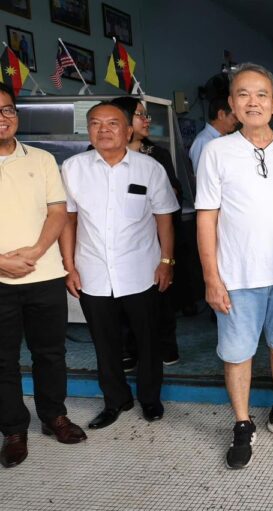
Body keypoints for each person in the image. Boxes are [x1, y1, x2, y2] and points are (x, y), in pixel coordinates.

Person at [196, 63, 273, 470]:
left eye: (262, 94)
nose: (253, 102)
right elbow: (206, 217)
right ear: (231, 103)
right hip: (237, 275)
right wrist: (211, 278)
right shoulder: (215, 151)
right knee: (237, 351)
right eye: (243, 94)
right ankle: (242, 423)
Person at [59, 102, 179, 429]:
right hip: (93, 271)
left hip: (141, 270)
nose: (104, 130)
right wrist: (69, 266)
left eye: (113, 123)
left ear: (127, 131)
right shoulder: (73, 168)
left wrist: (166, 262)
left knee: (148, 339)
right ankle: (116, 399)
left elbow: (164, 220)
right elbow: (68, 221)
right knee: (105, 342)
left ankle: (150, 399)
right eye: (96, 123)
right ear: (88, 130)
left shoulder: (149, 168)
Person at [0, 83, 87, 469]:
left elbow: (57, 212)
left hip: (44, 275)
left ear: (16, 115)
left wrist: (35, 253)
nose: (2, 118)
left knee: (50, 353)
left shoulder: (42, 159)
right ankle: (13, 429)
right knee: (2, 360)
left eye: (7, 110)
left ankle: (54, 416)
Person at [110, 96, 183, 369]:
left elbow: (173, 193)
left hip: (154, 235)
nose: (146, 120)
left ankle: (164, 345)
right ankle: (127, 349)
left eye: (146, 115)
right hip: (117, 240)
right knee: (120, 298)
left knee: (159, 293)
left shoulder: (157, 154)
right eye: (140, 114)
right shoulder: (100, 153)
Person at [188, 96, 238, 173]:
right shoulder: (203, 140)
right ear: (221, 114)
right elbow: (201, 175)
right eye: (235, 116)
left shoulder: (229, 140)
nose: (237, 121)